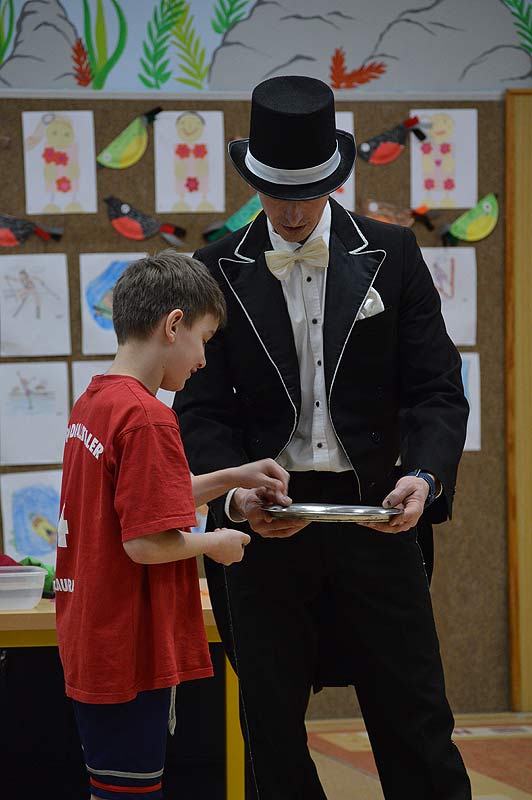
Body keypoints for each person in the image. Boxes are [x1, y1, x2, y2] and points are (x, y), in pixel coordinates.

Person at [174, 76, 471, 799]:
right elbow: (201, 412)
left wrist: (424, 477)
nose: (292, 211)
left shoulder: (393, 254)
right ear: (254, 181)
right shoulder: (213, 269)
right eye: (277, 193)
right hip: (265, 521)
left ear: (335, 178)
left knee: (416, 718)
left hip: (377, 511)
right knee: (270, 726)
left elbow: (437, 390)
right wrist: (235, 494)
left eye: (307, 193)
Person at [54, 250, 290, 800]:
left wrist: (231, 475)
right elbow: (144, 541)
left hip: (94, 634)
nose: (204, 359)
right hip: (129, 648)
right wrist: (217, 543)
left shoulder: (97, 401)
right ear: (173, 324)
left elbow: (143, 501)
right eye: (203, 340)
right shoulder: (149, 417)